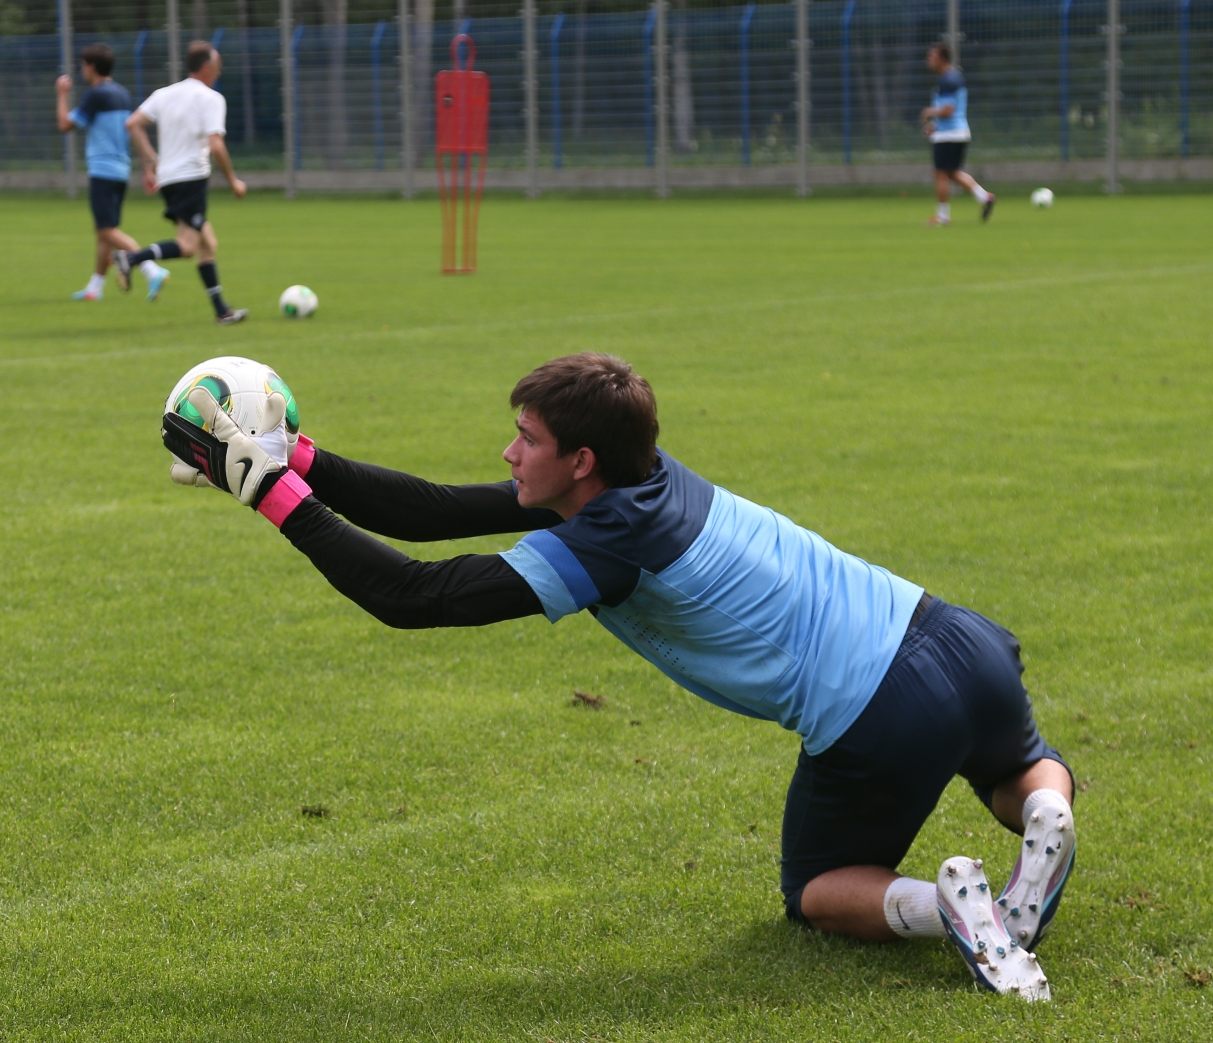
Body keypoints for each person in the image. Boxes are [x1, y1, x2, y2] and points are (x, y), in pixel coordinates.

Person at [160, 353, 1076, 1002]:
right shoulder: (643, 478)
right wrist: (300, 458)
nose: (510, 453)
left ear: (581, 460)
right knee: (1017, 765)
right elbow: (437, 511)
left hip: (879, 711)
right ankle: (1046, 814)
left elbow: (411, 594)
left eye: (525, 438)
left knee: (817, 887)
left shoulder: (608, 543)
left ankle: (946, 907)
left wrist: (268, 493)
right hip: (960, 639)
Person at [113, 40, 248, 324]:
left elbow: (133, 123)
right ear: (207, 67)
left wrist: (151, 161)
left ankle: (222, 311)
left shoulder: (165, 94)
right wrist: (233, 181)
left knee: (208, 242)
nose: (220, 72)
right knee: (187, 247)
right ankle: (132, 259)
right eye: (218, 66)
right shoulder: (210, 98)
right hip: (191, 178)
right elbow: (216, 146)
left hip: (169, 179)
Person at [54, 43, 165, 301]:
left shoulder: (96, 95)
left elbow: (65, 125)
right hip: (121, 171)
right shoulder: (123, 94)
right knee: (104, 230)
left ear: (91, 67)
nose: (82, 70)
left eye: (83, 65)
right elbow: (135, 131)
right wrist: (146, 169)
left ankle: (151, 269)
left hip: (103, 171)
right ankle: (95, 288)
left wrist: (61, 94)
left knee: (106, 231)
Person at [919, 44, 995, 226]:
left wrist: (930, 112)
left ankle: (943, 216)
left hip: (949, 134)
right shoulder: (952, 78)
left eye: (932, 56)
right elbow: (952, 110)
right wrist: (935, 125)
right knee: (952, 172)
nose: (928, 59)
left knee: (940, 174)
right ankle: (984, 197)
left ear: (942, 59)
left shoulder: (948, 80)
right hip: (956, 132)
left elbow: (948, 110)